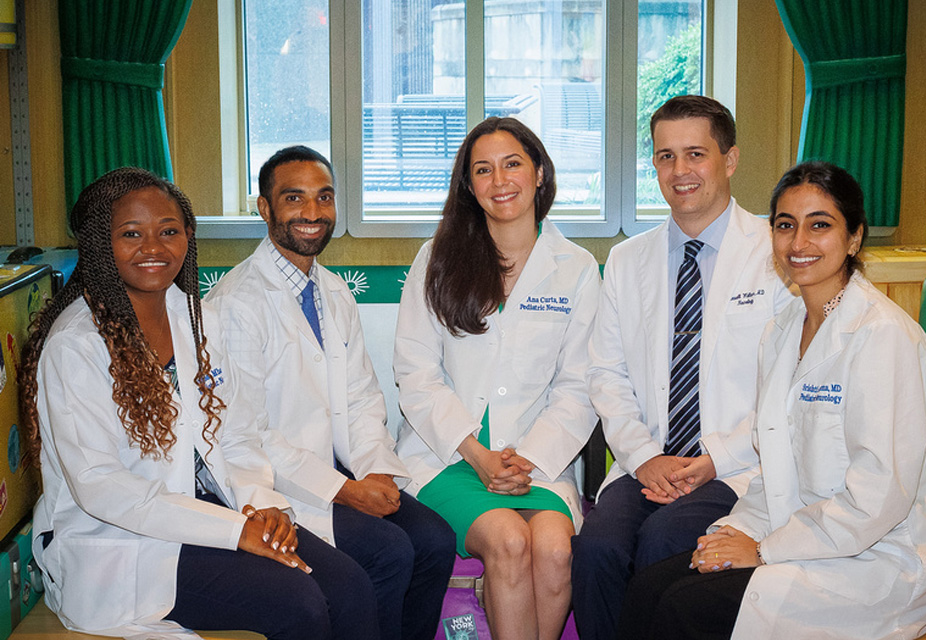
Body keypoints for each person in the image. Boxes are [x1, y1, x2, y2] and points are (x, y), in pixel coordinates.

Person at [20, 167, 378, 640]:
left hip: (212, 509)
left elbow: (237, 433)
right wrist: (235, 532)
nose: (153, 247)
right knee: (298, 603)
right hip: (125, 541)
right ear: (99, 245)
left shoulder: (195, 316)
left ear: (188, 235)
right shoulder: (77, 344)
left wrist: (262, 506)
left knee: (350, 585)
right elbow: (103, 488)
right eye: (131, 234)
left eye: (168, 231)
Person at [618, 161, 926, 640]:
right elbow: (772, 464)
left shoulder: (882, 338)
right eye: (785, 225)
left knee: (684, 607)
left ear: (855, 238)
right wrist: (730, 534)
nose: (799, 243)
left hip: (878, 557)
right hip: (804, 535)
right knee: (648, 586)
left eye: (820, 225)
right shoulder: (783, 331)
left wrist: (764, 551)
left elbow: (878, 499)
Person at [206, 146, 455, 640]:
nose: (313, 213)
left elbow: (363, 397)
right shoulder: (234, 304)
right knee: (390, 552)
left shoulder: (334, 291)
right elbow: (247, 435)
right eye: (294, 198)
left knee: (435, 540)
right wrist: (346, 491)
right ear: (264, 208)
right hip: (279, 485)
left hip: (344, 466)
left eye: (324, 197)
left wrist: (376, 471)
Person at [571, 95, 795, 638]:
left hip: (738, 468)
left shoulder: (777, 253)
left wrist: (716, 459)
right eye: (665, 156)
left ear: (731, 160)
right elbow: (606, 373)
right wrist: (644, 456)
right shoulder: (628, 260)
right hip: (646, 460)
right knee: (595, 550)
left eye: (695, 153)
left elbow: (787, 386)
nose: (680, 171)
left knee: (666, 541)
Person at [393, 116, 600, 640]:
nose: (499, 180)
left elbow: (578, 385)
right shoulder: (437, 258)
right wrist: (481, 457)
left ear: (539, 174)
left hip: (538, 459)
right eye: (482, 170)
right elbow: (417, 374)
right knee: (508, 540)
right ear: (469, 186)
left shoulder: (576, 268)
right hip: (450, 455)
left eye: (512, 164)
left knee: (554, 550)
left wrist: (526, 458)